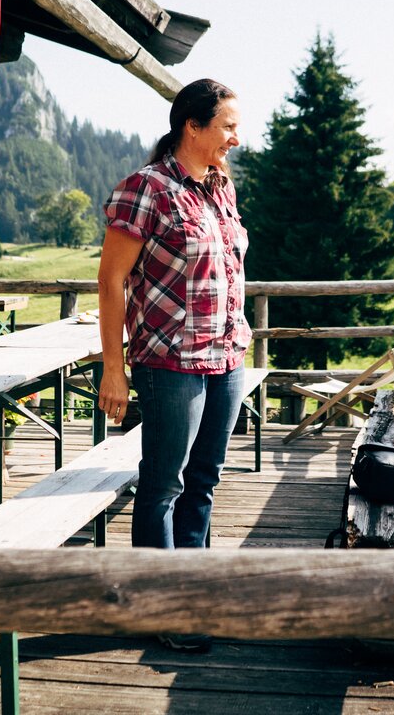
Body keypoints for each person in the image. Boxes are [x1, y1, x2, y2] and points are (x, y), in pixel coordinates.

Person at [97, 78, 251, 653]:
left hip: (226, 357)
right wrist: (115, 367)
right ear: (193, 125)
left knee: (204, 483)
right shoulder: (147, 188)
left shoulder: (220, 188)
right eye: (228, 125)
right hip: (170, 361)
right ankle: (159, 606)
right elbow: (111, 280)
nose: (236, 137)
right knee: (164, 485)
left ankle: (193, 594)